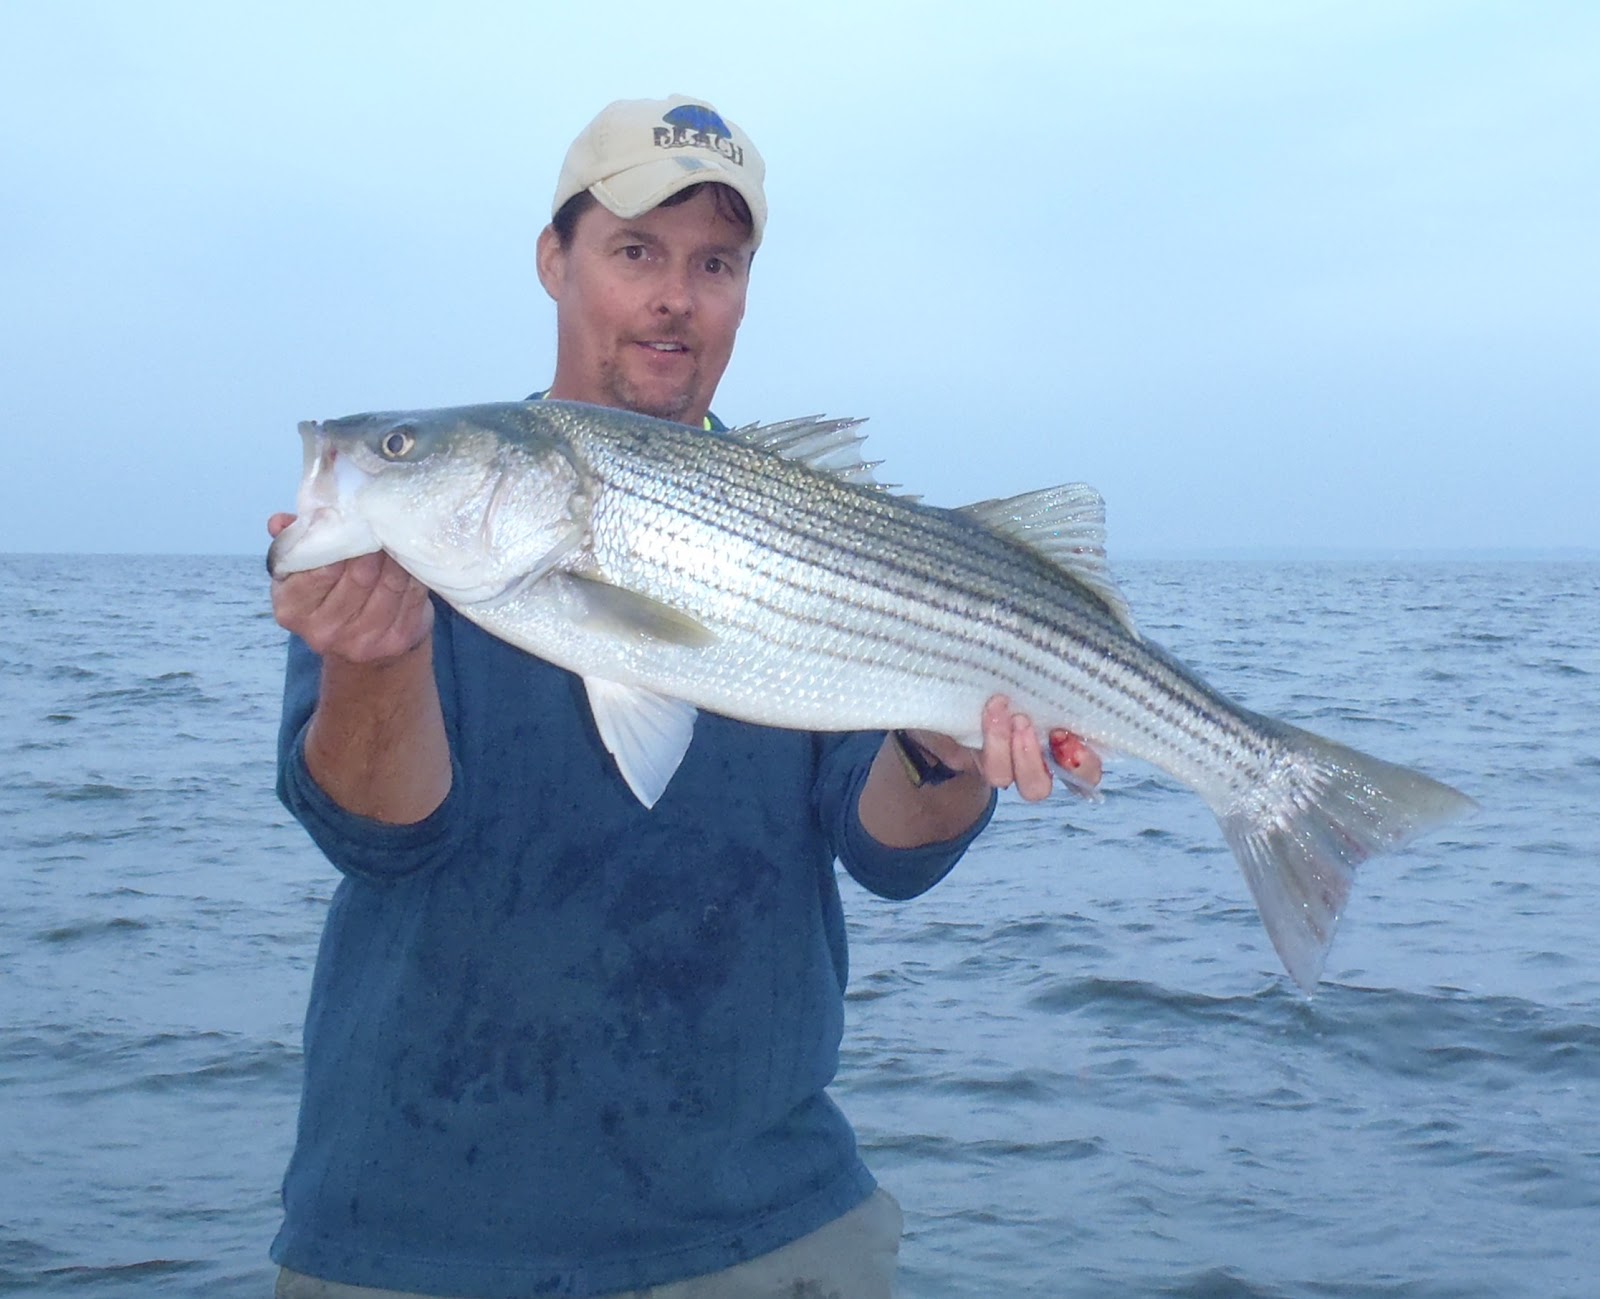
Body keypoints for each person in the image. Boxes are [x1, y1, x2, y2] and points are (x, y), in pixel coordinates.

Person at [267, 95, 1099, 1299]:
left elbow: (886, 852)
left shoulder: (811, 527)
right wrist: (376, 660)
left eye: (716, 264)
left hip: (768, 1228)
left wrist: (944, 749)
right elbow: (375, 834)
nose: (675, 297)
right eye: (635, 251)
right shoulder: (405, 554)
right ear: (553, 261)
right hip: (420, 1222)